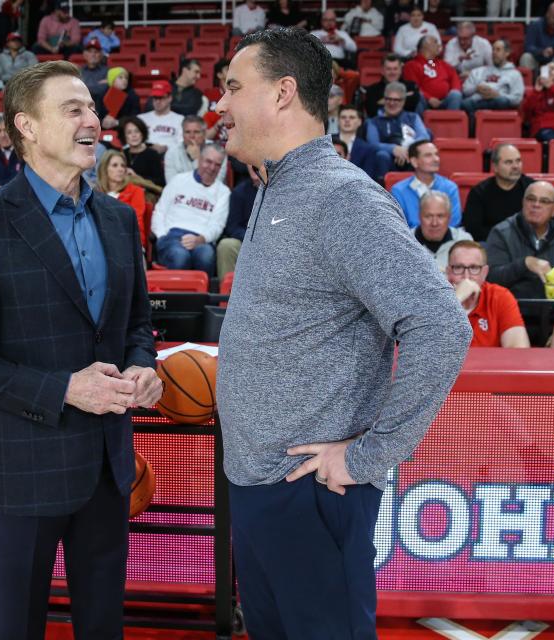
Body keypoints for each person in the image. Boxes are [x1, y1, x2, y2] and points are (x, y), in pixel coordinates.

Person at [214, 27, 471, 639]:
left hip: (312, 493)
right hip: (258, 487)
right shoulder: (274, 187)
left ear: (282, 93)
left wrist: (367, 455)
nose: (219, 105)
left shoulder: (340, 198)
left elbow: (440, 326)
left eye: (231, 88)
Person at [0, 60, 159, 640]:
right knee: (16, 627)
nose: (94, 119)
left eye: (93, 108)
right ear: (25, 127)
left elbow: (134, 325)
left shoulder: (120, 218)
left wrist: (143, 366)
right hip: (23, 465)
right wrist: (64, 388)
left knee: (103, 625)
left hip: (108, 465)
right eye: (74, 109)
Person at [485, 181, 554, 299]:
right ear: (523, 203)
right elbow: (491, 278)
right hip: (511, 310)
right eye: (531, 199)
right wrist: (525, 263)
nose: (536, 205)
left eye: (544, 201)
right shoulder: (501, 233)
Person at [151, 143, 229, 274]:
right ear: (199, 160)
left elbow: (217, 225)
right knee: (180, 256)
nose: (212, 168)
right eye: (208, 162)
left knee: (206, 256)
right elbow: (160, 212)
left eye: (217, 164)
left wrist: (201, 239)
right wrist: (162, 236)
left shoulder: (223, 192)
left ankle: (203, 293)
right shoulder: (178, 180)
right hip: (171, 236)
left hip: (202, 240)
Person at [446, 240, 530, 348]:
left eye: (474, 268)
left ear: (484, 272)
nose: (466, 277)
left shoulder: (500, 297)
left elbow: (518, 351)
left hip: (492, 365)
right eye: (458, 268)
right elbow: (426, 351)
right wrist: (456, 300)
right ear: (448, 272)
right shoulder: (433, 298)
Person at [463, 143, 534, 241]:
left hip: (526, 243)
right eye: (509, 162)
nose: (515, 166)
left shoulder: (532, 189)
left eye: (518, 161)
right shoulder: (479, 192)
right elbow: (473, 230)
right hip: (491, 244)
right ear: (495, 167)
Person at [365, 81, 429, 181]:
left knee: (422, 152)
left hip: (410, 157)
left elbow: (424, 137)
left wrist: (406, 149)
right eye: (388, 99)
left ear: (403, 101)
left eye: (396, 100)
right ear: (384, 100)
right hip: (387, 160)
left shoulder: (413, 117)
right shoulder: (373, 122)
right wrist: (394, 149)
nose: (392, 103)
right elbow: (373, 144)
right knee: (381, 155)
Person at [390, 140, 462, 228]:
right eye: (428, 155)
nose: (436, 159)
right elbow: (399, 226)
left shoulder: (450, 188)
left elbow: (454, 223)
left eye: (436, 154)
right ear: (414, 162)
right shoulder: (399, 191)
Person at [97, 149, 146, 249]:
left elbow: (137, 223)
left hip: (130, 243)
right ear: (104, 169)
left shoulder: (135, 191)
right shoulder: (96, 194)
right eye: (115, 165)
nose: (120, 169)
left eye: (123, 165)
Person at [461, 39, 524, 115]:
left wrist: (497, 95)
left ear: (507, 53)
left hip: (498, 103)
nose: (494, 52)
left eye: (498, 50)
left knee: (502, 101)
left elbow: (517, 99)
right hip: (478, 101)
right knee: (465, 103)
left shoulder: (515, 74)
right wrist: (476, 88)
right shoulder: (478, 71)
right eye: (493, 49)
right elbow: (465, 90)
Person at [217, 164, 258, 279]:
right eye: (251, 164)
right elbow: (232, 227)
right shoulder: (239, 192)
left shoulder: (280, 191)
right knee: (226, 245)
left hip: (274, 242)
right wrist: (251, 237)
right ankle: (226, 295)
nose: (254, 166)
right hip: (247, 240)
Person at [415, 190, 473, 270]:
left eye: (440, 216)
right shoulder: (404, 241)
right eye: (428, 216)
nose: (434, 223)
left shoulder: (464, 241)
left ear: (449, 218)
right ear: (419, 217)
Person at [403, 35, 462, 111]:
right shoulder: (412, 65)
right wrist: (429, 98)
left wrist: (454, 89)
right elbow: (414, 87)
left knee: (456, 94)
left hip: (444, 101)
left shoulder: (440, 64)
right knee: (417, 95)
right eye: (435, 42)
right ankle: (419, 122)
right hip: (425, 102)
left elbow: (454, 77)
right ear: (425, 47)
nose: (439, 45)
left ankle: (452, 122)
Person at [165, 115, 227, 184]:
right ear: (182, 134)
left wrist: (197, 159)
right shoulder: (172, 152)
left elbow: (213, 183)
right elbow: (171, 184)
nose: (192, 136)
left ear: (204, 134)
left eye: (196, 132)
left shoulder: (218, 152)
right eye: (187, 132)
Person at [521, 1, 554, 70]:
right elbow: (528, 46)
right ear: (547, 14)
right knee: (526, 57)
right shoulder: (535, 25)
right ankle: (531, 80)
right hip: (538, 59)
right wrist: (542, 51)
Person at [138, 80, 183, 153]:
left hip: (169, 156)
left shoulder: (180, 119)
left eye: (161, 97)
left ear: (170, 98)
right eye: (155, 98)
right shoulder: (141, 118)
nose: (157, 101)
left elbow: (182, 144)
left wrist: (166, 148)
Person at [120, 115, 164, 187]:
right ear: (124, 136)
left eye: (137, 131)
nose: (134, 135)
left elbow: (160, 182)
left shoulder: (153, 155)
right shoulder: (122, 154)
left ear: (142, 133)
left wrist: (137, 178)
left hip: (147, 193)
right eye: (129, 132)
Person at [336, 104, 375, 176]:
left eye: (352, 117)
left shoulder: (367, 149)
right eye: (343, 117)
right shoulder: (327, 142)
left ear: (360, 122)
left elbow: (368, 177)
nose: (347, 120)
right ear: (338, 120)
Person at [79, 37, 108, 106]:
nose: (93, 54)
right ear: (85, 54)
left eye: (96, 52)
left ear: (100, 55)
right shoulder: (79, 71)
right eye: (90, 51)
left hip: (100, 109)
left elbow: (102, 90)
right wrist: (97, 85)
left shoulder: (107, 71)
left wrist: (84, 86)